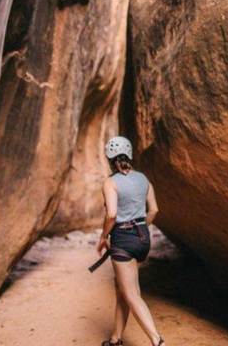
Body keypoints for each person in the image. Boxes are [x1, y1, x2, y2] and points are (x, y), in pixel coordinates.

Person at [97, 136, 166, 346]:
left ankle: (158, 341)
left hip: (123, 240)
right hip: (143, 238)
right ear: (129, 155)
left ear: (109, 158)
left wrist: (103, 236)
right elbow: (153, 209)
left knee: (132, 294)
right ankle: (116, 338)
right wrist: (140, 228)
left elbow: (111, 215)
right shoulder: (144, 179)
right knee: (122, 290)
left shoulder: (110, 182)